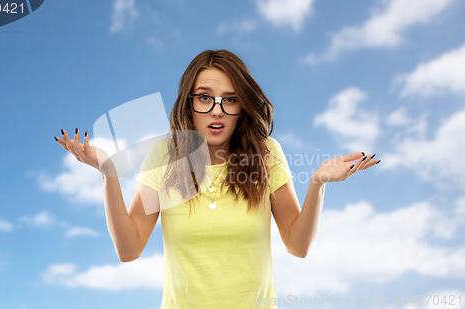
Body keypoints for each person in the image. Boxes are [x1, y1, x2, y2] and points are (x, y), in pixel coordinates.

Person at [54, 49, 380, 308]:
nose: (217, 110)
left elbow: (297, 245)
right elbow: (129, 249)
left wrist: (318, 183)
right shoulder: (164, 158)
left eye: (231, 98)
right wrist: (109, 174)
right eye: (205, 97)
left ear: (243, 105)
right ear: (189, 103)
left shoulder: (267, 154)